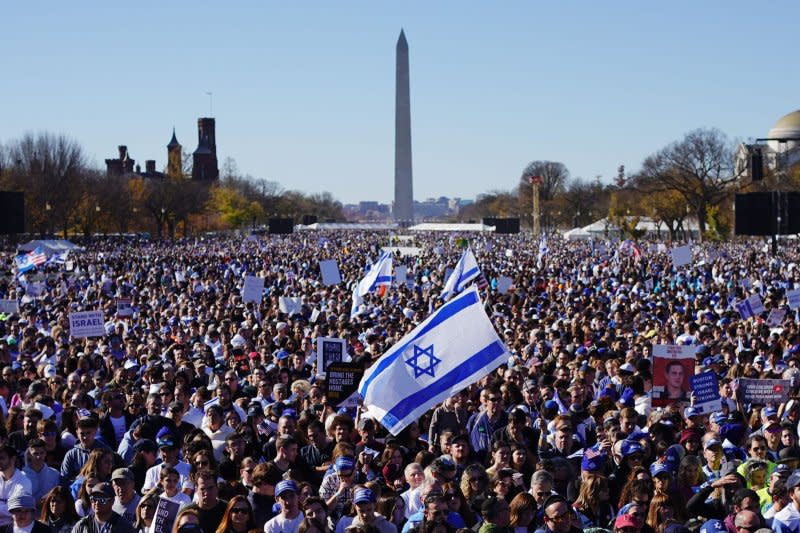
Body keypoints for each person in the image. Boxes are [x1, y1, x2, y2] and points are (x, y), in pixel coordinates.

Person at [72, 482, 136, 533]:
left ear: (112, 501)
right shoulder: (82, 525)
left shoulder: (123, 526)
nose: (97, 503)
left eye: (102, 500)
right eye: (94, 499)